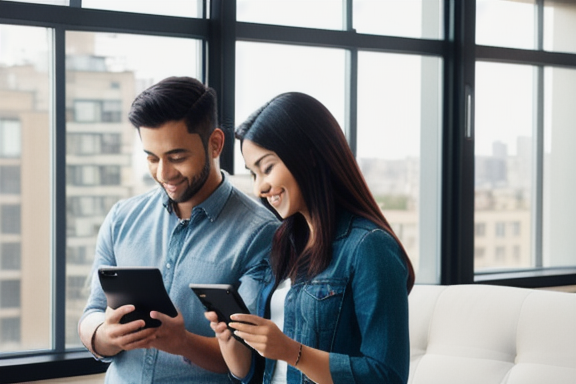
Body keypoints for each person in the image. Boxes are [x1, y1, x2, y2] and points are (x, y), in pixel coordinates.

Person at [78, 76, 279, 384]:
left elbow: (246, 356)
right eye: (152, 158)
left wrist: (183, 341)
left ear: (215, 143)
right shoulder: (122, 218)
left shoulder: (260, 234)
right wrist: (105, 334)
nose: (164, 173)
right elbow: (91, 313)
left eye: (177, 157)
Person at [206, 92, 416, 384]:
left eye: (267, 168)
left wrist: (292, 352)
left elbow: (387, 376)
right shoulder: (284, 243)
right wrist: (231, 341)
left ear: (309, 157)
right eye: (253, 173)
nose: (260, 188)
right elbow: (257, 372)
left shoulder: (370, 247)